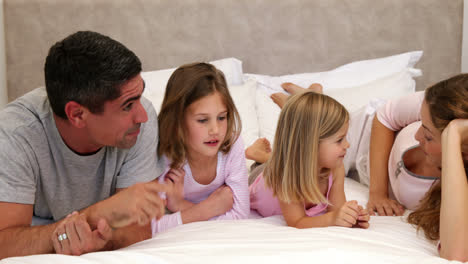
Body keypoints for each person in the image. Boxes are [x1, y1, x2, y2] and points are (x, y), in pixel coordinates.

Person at [0, 31, 167, 259]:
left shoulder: (139, 122)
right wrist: (97, 215)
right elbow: (4, 243)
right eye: (127, 106)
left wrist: (98, 240)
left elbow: (139, 229)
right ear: (77, 114)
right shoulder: (15, 134)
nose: (142, 116)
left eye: (139, 97)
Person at [372, 74, 467, 261]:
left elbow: (456, 254)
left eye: (429, 136)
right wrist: (377, 192)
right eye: (420, 124)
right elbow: (384, 115)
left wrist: (454, 134)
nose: (417, 135)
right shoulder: (438, 103)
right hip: (358, 128)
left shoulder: (457, 189)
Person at [152, 62, 249, 234]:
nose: (215, 130)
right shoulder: (164, 154)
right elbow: (150, 226)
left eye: (221, 117)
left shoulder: (232, 143)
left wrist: (181, 206)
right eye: (203, 120)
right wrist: (208, 209)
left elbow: (241, 216)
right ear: (177, 120)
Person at [249, 91, 369, 229]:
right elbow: (297, 221)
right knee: (272, 163)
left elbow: (337, 211)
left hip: (294, 162)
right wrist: (332, 219)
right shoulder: (286, 177)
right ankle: (256, 154)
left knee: (284, 158)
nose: (347, 145)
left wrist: (352, 217)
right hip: (260, 175)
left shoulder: (336, 168)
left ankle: (294, 109)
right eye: (340, 140)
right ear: (311, 145)